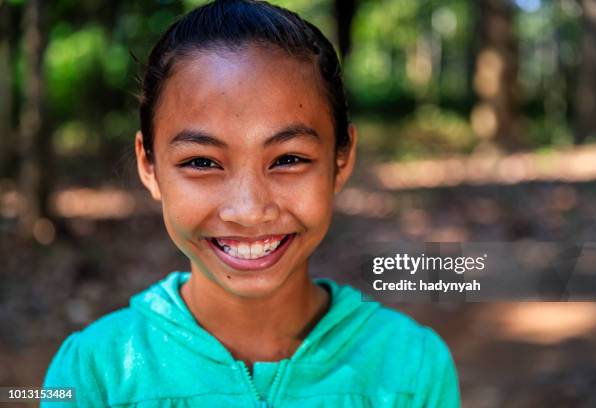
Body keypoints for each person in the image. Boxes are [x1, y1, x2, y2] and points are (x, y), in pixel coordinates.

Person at [42, 0, 460, 406]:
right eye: (201, 162)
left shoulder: (411, 370)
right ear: (148, 165)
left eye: (289, 159)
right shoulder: (95, 375)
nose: (248, 210)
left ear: (342, 158)